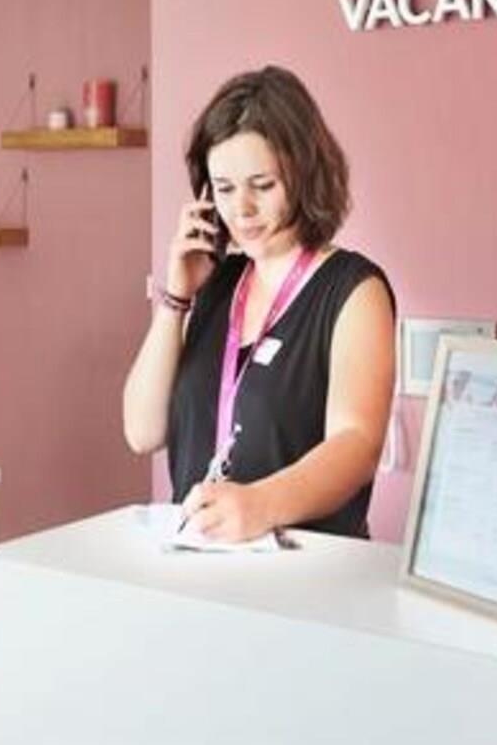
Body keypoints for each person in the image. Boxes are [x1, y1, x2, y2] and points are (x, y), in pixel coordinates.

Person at [121, 66, 395, 541]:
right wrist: (175, 298)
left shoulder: (354, 289)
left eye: (262, 185)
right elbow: (142, 432)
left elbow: (357, 445)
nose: (242, 209)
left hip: (304, 569)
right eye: (224, 188)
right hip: (202, 560)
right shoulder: (217, 283)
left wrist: (259, 505)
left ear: (303, 174)